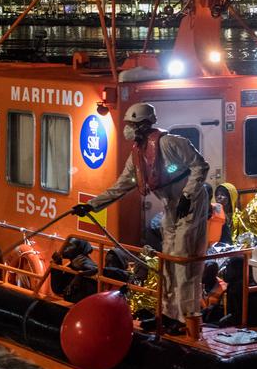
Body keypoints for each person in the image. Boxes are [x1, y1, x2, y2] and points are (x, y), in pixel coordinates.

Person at [74, 102, 209, 334]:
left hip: (191, 203)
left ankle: (184, 318)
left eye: (131, 125)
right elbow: (121, 186)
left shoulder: (171, 143)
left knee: (183, 261)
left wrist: (188, 195)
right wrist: (90, 207)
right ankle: (167, 314)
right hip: (170, 205)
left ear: (144, 125)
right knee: (167, 260)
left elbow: (200, 166)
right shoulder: (136, 155)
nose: (127, 129)